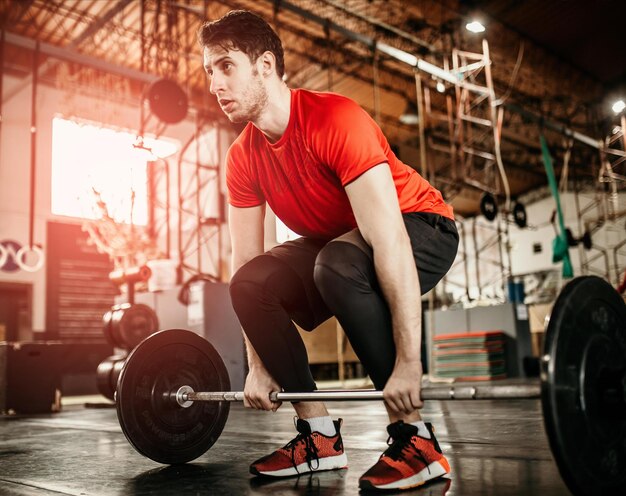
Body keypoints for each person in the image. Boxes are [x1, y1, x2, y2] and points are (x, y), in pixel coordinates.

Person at [198, 10, 459, 492]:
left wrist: (408, 362)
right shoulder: (242, 157)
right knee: (251, 282)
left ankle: (415, 439)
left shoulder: (335, 119)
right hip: (338, 247)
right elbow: (246, 267)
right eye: (208, 71)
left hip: (421, 227)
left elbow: (389, 240)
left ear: (266, 65)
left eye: (226, 66)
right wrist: (257, 366)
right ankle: (318, 436)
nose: (215, 83)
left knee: (336, 265)